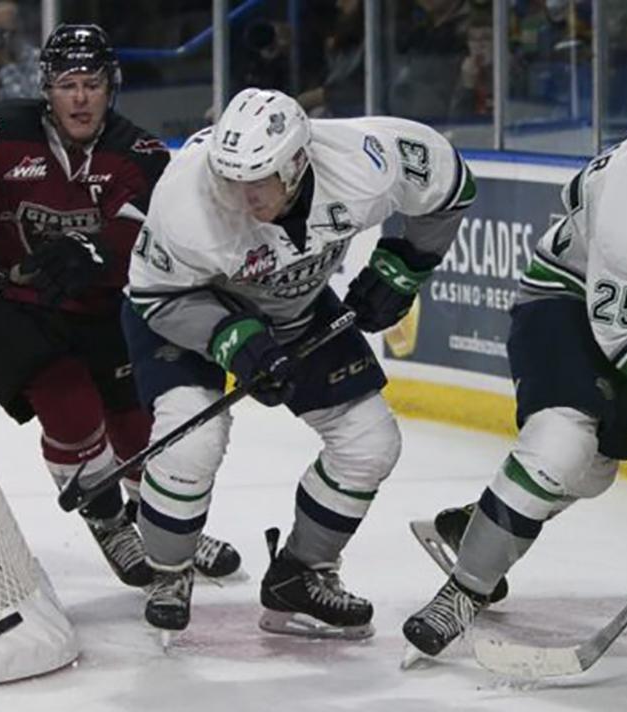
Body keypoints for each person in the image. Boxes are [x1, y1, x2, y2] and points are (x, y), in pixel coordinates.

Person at [403, 59, 627, 658]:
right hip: (565, 300)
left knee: (596, 472)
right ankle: (463, 590)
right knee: (561, 446)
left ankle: (478, 525)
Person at [122, 87, 476, 637]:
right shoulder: (187, 197)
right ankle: (168, 570)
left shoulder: (363, 162)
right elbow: (154, 297)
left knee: (369, 442)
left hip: (295, 307)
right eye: (230, 179)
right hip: (191, 308)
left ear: (296, 164)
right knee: (194, 440)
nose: (240, 196)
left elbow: (449, 184)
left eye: (257, 181)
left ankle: (301, 574)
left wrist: (405, 265)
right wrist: (232, 339)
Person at [0, 24, 241, 592]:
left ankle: (166, 525)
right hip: (8, 308)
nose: (82, 97)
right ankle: (108, 518)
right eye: (69, 84)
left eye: (93, 83)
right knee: (70, 405)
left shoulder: (138, 153)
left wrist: (96, 250)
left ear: (111, 88)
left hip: (99, 307)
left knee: (140, 427)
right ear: (48, 88)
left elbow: (150, 237)